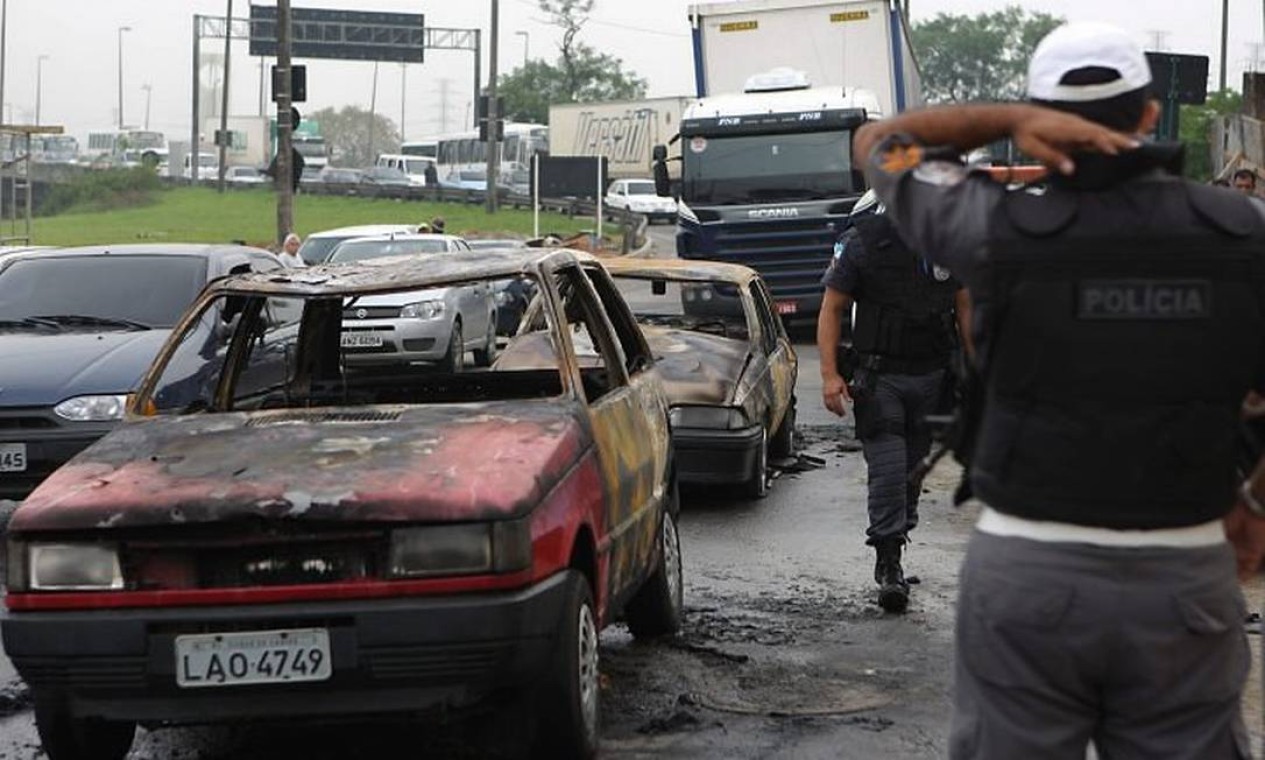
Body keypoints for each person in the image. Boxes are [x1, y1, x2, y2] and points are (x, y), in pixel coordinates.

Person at [852, 22, 1265, 758]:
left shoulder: (990, 229)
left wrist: (1008, 121)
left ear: (1043, 120)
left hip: (1025, 575)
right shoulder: (1243, 235)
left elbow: (880, 143)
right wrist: (1256, 503)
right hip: (1185, 574)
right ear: (1147, 115)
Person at [817, 190, 970, 613]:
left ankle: (897, 539)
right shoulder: (862, 243)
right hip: (879, 378)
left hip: (933, 377)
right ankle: (888, 564)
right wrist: (830, 376)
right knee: (887, 469)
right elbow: (832, 308)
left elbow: (965, 306)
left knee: (912, 470)